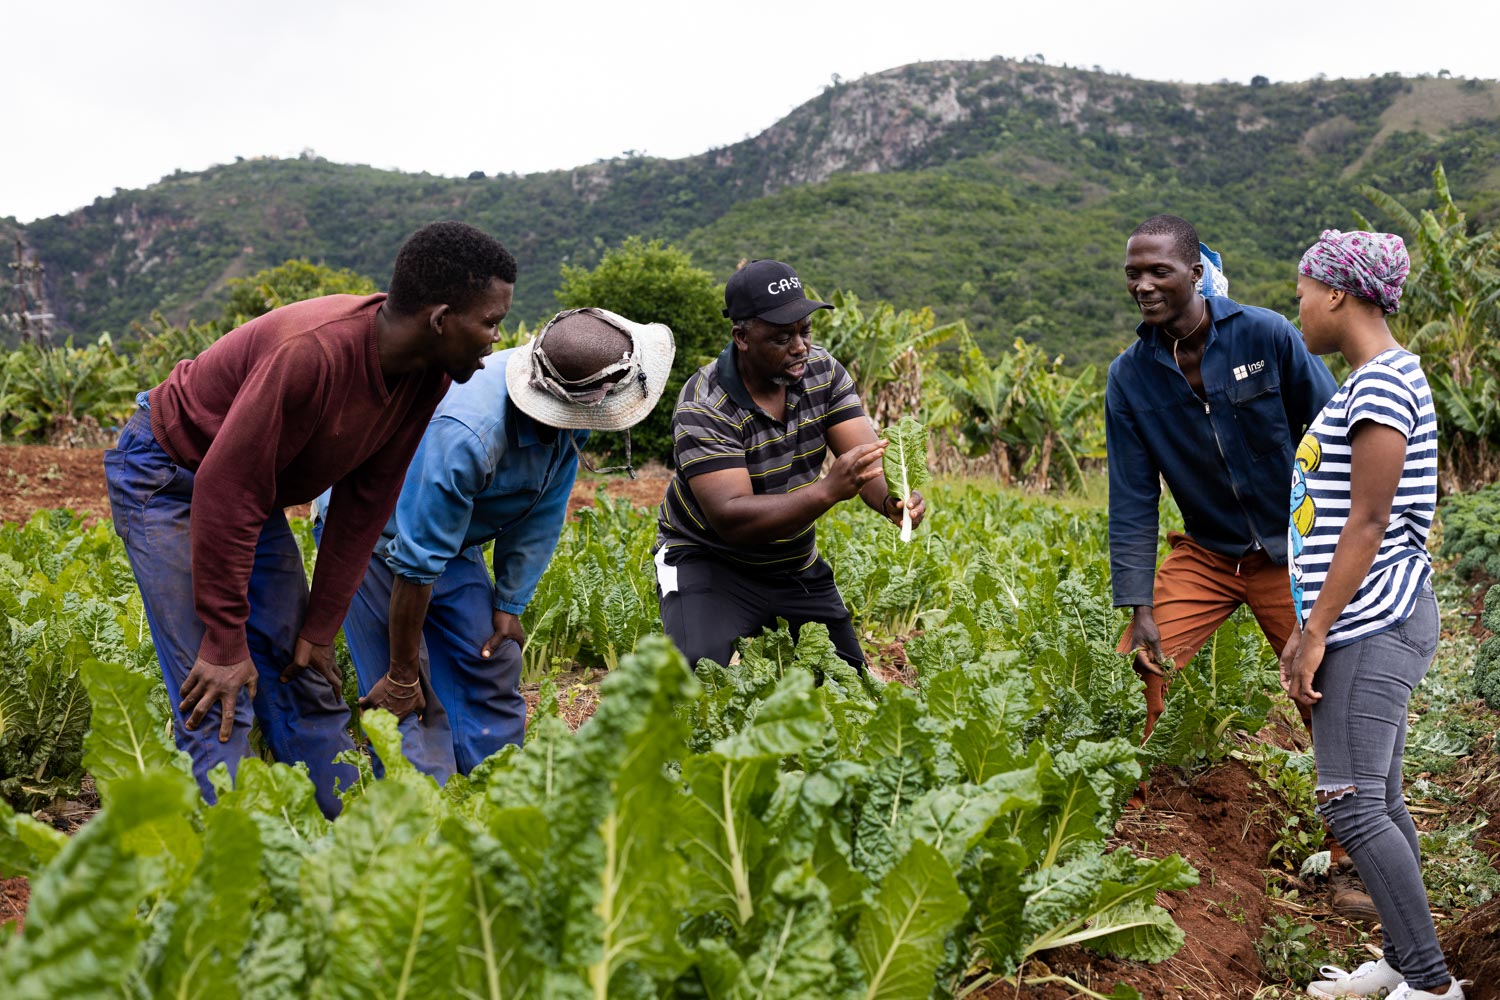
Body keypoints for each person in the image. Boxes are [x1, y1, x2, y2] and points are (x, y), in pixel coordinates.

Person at [104, 221, 517, 818]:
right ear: (441, 319)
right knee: (216, 687)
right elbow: (224, 489)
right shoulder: (312, 353)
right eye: (491, 321)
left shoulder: (427, 375)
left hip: (250, 491)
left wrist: (320, 628)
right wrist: (224, 639)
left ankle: (337, 842)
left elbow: (365, 504)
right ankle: (235, 858)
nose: (496, 338)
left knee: (303, 674)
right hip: (168, 475)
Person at [1105, 216, 1374, 918]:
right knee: (1138, 664)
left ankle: (1349, 854)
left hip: (1290, 550)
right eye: (1133, 273)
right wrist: (1138, 602)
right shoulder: (1130, 377)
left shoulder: (1266, 335)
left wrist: (1339, 547)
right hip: (1207, 551)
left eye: (1158, 271)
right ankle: (1123, 820)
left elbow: (1334, 430)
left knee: (1322, 688)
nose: (1143, 285)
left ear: (1195, 274)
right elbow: (1131, 497)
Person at [319, 307, 674, 782]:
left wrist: (509, 602)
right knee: (404, 689)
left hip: (449, 540)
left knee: (488, 658)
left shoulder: (570, 400)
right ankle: (421, 805)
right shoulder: (468, 433)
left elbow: (544, 505)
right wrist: (403, 671)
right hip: (369, 534)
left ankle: (496, 786)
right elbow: (418, 564)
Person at [1284, 232, 1463, 1000]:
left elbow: (1368, 520)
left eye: (1301, 292)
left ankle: (1430, 984)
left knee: (1350, 806)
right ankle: (1400, 961)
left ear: (1336, 293)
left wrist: (1315, 628)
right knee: (1377, 801)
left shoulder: (1383, 384)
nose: (1297, 307)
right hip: (1369, 616)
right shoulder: (1374, 380)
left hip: (1371, 620)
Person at [653, 258, 925, 672]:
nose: (800, 346)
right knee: (694, 677)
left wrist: (893, 500)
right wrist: (827, 491)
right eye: (782, 337)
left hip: (792, 564)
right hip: (708, 561)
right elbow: (732, 518)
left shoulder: (822, 371)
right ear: (742, 338)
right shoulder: (704, 404)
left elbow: (866, 461)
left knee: (849, 683)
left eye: (805, 331)